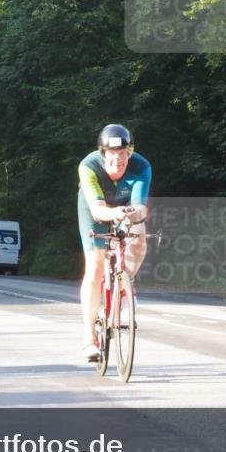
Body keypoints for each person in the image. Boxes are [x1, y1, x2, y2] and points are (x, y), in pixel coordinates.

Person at [78, 124, 152, 362]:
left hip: (124, 209)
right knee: (95, 266)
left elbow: (141, 207)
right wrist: (115, 213)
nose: (118, 160)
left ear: (130, 154)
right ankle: (90, 339)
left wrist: (133, 215)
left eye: (123, 155)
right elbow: (98, 211)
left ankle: (124, 284)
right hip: (94, 210)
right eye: (113, 155)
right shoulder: (88, 166)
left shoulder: (141, 166)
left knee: (139, 237)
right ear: (103, 154)